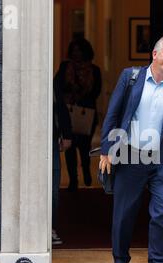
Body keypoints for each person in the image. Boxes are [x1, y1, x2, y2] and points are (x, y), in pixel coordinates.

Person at [99, 35, 163, 263]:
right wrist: (107, 150)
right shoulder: (130, 77)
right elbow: (114, 113)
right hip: (130, 155)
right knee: (124, 213)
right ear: (155, 54)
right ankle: (120, 261)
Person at [54, 38, 102, 191]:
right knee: (70, 146)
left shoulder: (94, 70)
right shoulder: (64, 67)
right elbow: (57, 86)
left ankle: (86, 169)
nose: (76, 54)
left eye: (79, 51)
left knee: (84, 146)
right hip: (68, 112)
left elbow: (97, 91)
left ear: (85, 52)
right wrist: (69, 92)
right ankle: (73, 179)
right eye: (74, 51)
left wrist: (81, 95)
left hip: (86, 113)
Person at [52, 82, 72, 245]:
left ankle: (50, 228)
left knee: (53, 188)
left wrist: (66, 134)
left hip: (52, 141)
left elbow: (61, 109)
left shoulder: (53, 86)